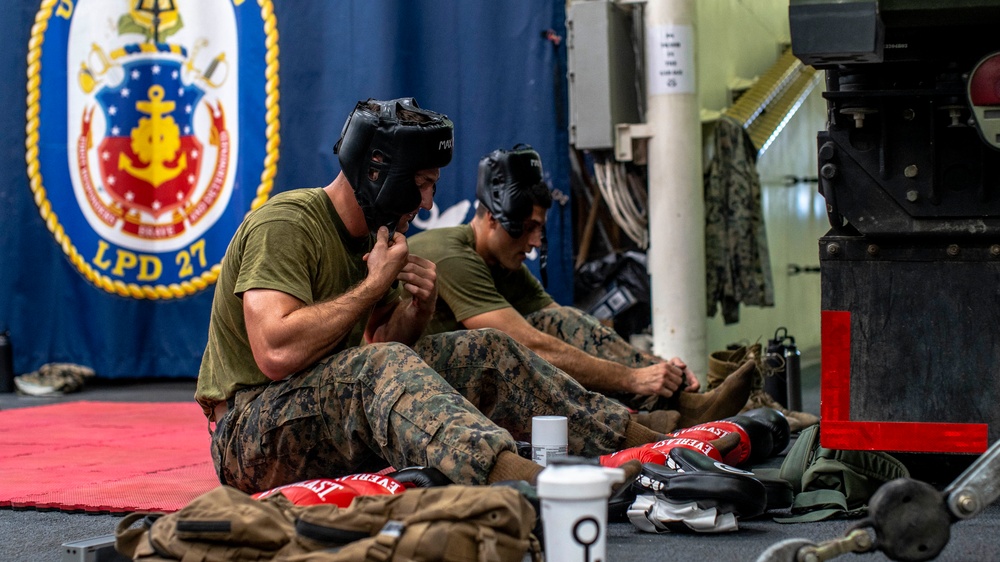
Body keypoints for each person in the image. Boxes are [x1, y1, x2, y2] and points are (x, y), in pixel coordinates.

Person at [195, 99, 742, 495]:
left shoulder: (375, 237)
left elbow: (380, 344)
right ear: (381, 174)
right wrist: (372, 286)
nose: (430, 204)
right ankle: (527, 482)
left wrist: (417, 311)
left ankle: (652, 441)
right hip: (250, 435)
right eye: (425, 184)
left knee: (485, 348)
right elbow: (275, 352)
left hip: (312, 413)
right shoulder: (287, 224)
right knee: (380, 367)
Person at [408, 145, 752, 426]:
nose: (534, 242)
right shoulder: (451, 254)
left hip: (472, 376)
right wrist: (633, 378)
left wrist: (655, 368)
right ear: (494, 219)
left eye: (539, 229)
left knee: (561, 322)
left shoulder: (503, 262)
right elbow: (532, 346)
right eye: (527, 228)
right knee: (521, 348)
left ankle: (683, 400)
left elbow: (566, 328)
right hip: (422, 384)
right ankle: (633, 424)